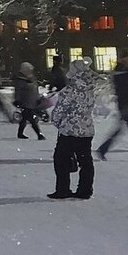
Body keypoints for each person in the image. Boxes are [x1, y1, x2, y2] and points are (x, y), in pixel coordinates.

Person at [47, 57, 97, 199]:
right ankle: (85, 190)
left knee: (60, 159)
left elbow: (60, 109)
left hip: (69, 130)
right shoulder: (90, 87)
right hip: (87, 129)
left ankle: (63, 189)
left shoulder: (70, 89)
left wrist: (57, 122)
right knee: (85, 160)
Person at [13, 62, 45, 140]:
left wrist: (37, 99)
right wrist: (18, 100)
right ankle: (39, 134)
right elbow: (19, 91)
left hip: (31, 102)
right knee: (31, 119)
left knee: (25, 118)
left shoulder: (31, 78)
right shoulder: (21, 80)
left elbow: (35, 90)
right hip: (26, 102)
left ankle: (20, 133)